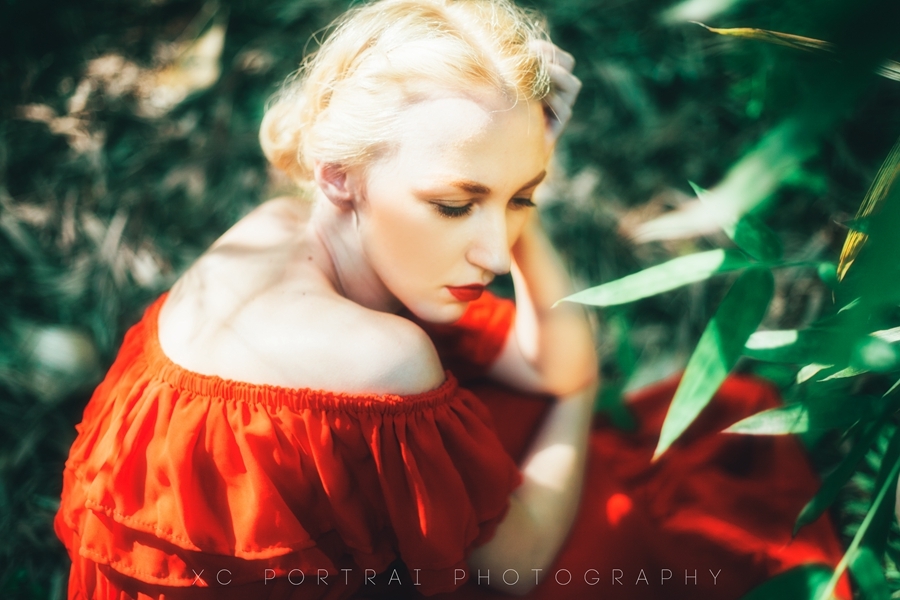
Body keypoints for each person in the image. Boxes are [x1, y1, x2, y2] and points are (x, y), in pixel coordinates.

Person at [54, 0, 850, 598]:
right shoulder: (383, 358)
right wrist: (578, 396)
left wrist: (508, 167)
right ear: (339, 172)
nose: (498, 252)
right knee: (607, 541)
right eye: (453, 203)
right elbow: (515, 565)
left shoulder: (279, 225)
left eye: (520, 201)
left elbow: (534, 357)